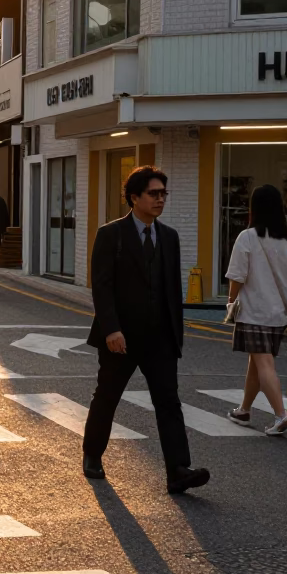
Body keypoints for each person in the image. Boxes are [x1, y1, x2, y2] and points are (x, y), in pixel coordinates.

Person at [83, 165, 210, 495]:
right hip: (121, 337)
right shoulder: (111, 234)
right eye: (153, 193)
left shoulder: (169, 237)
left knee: (169, 402)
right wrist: (111, 329)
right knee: (107, 396)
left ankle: (178, 470)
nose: (160, 199)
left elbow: (171, 289)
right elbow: (102, 286)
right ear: (134, 197)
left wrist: (175, 335)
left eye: (163, 193)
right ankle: (92, 454)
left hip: (160, 338)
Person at [225, 183, 287, 435]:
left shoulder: (248, 237)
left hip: (254, 312)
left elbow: (237, 277)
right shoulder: (286, 238)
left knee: (264, 363)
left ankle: (281, 414)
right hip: (278, 313)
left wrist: (231, 302)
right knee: (257, 360)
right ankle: (244, 409)